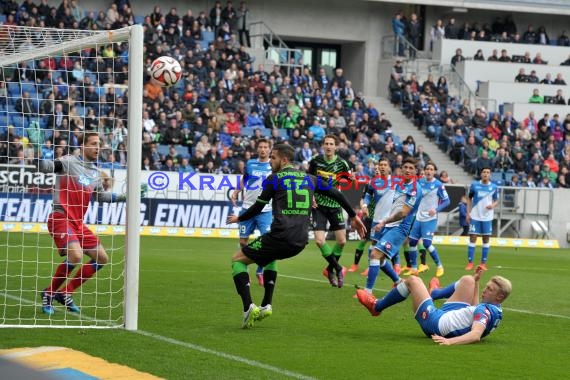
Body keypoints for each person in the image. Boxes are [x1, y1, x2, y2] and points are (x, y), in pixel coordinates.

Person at [226, 144, 366, 328]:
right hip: (300, 241)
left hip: (280, 236)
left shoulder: (274, 179)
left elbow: (257, 208)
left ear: (284, 160)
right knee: (270, 256)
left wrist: (239, 218)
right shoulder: (310, 179)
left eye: (274, 157)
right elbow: (337, 194)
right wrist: (354, 216)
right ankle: (266, 304)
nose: (270, 160)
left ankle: (248, 308)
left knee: (237, 260)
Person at [38, 132, 128, 315]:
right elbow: (46, 167)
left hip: (78, 223)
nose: (98, 148)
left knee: (102, 258)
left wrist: (125, 196)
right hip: (60, 218)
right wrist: (41, 155)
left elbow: (101, 196)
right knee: (76, 256)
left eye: (99, 144)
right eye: (94, 144)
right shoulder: (68, 162)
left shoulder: (95, 173)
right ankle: (49, 293)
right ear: (83, 146)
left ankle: (66, 292)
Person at [356, 267, 511, 345]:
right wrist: (477, 282)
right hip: (451, 316)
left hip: (436, 323)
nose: (485, 289)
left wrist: (449, 342)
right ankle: (435, 293)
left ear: (499, 296)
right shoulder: (495, 309)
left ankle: (376, 307)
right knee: (469, 280)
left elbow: (476, 335)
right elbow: (476, 309)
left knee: (413, 281)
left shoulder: (484, 311)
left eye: (490, 289)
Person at [363, 157, 423, 294]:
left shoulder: (415, 189)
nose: (407, 170)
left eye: (411, 168)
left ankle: (368, 292)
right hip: (389, 225)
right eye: (405, 167)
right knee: (380, 258)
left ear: (415, 171)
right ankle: (398, 282)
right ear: (401, 169)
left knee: (374, 254)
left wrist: (383, 222)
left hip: (400, 228)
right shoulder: (399, 184)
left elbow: (403, 213)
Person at [308, 135, 352, 288]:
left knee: (342, 241)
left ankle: (329, 269)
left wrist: (347, 180)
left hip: (335, 205)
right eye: (326, 143)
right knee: (319, 240)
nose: (328, 146)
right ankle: (338, 268)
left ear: (336, 147)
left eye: (331, 144)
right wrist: (311, 197)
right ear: (323, 145)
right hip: (318, 205)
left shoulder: (342, 164)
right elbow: (309, 180)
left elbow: (350, 180)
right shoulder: (315, 161)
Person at [231, 138, 272, 287]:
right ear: (257, 149)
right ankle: (244, 266)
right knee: (243, 241)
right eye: (260, 146)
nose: (262, 149)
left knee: (267, 241)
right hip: (247, 208)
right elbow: (244, 179)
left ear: (269, 149)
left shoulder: (273, 166)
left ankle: (260, 270)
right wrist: (236, 191)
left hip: (265, 210)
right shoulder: (250, 164)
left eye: (265, 147)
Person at [351, 158, 395, 277]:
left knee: (385, 249)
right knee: (373, 247)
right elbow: (367, 196)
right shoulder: (373, 182)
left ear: (389, 167)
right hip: (376, 220)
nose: (382, 167)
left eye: (385, 165)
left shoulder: (396, 182)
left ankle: (396, 269)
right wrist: (364, 206)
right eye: (381, 165)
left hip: (391, 221)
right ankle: (391, 276)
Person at [406, 162, 450, 277]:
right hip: (419, 217)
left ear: (434, 172)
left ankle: (439, 266)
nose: (429, 171)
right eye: (427, 169)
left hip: (430, 218)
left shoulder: (439, 185)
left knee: (426, 243)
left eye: (431, 169)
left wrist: (436, 209)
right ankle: (414, 268)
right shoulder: (419, 182)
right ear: (424, 171)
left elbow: (447, 201)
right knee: (412, 242)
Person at [466, 167, 499, 270]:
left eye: (488, 172)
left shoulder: (494, 187)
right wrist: (468, 213)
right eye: (484, 172)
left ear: (490, 174)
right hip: (475, 216)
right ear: (481, 174)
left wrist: (492, 206)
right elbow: (469, 199)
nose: (485, 174)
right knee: (473, 238)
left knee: (486, 239)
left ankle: (483, 263)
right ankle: (470, 263)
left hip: (487, 217)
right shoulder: (474, 185)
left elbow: (496, 200)